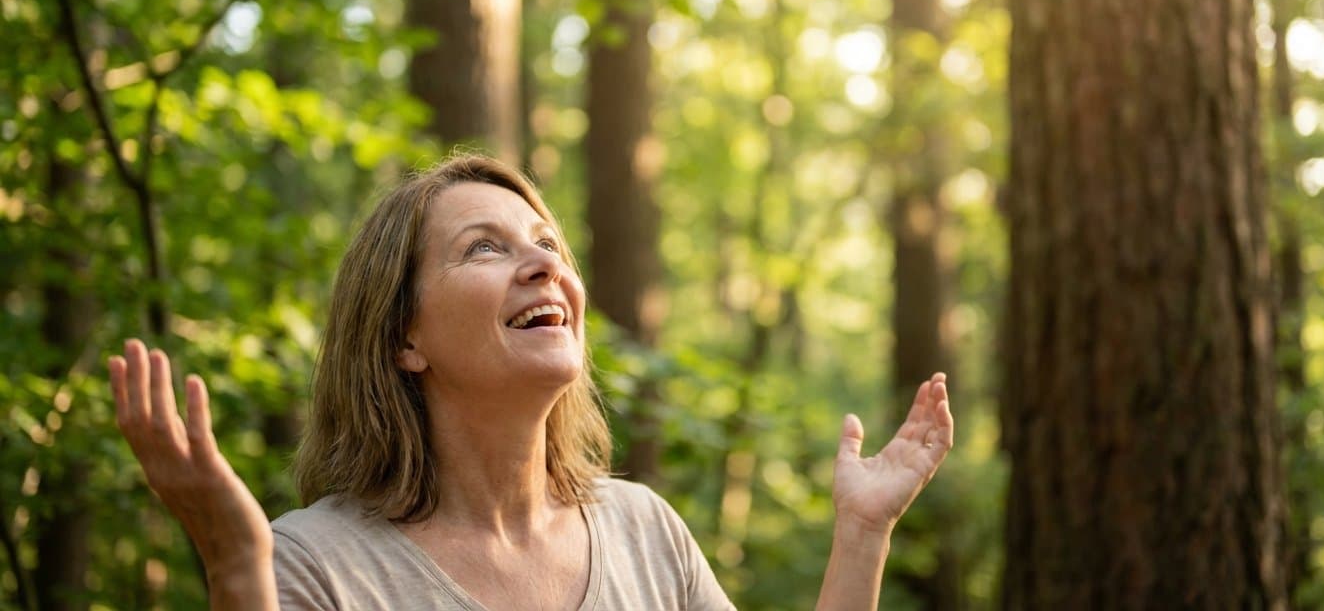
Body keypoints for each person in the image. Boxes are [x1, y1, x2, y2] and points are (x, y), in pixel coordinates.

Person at [109, 152, 953, 610]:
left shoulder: (644, 530)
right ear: (404, 337)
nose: (542, 264)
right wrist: (233, 567)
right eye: (485, 247)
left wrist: (862, 534)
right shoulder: (313, 565)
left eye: (547, 242)